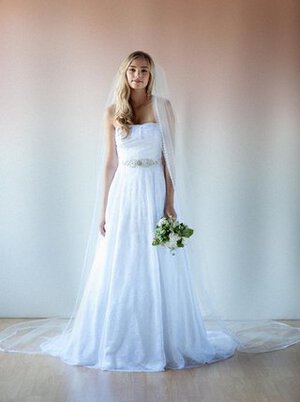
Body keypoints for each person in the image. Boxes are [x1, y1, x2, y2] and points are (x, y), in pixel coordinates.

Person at [0, 51, 300, 371]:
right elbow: (110, 162)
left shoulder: (163, 107)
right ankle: (120, 336)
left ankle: (163, 337)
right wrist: (103, 210)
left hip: (153, 188)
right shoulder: (113, 111)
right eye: (132, 70)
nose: (138, 75)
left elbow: (169, 158)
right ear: (125, 73)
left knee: (157, 260)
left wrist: (169, 201)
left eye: (144, 70)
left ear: (151, 75)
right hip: (125, 192)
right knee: (124, 259)